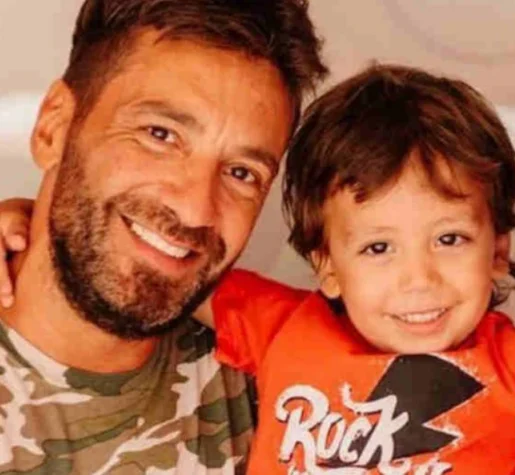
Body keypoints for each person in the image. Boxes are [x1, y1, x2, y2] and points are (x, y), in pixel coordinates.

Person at [1, 62, 515, 472]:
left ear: (498, 251)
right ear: (327, 264)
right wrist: (34, 222)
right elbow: (149, 260)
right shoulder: (283, 327)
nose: (418, 280)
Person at [0, 0, 327, 472]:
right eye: (160, 134)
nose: (196, 209)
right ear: (54, 128)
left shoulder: (293, 398)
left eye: (241, 173)